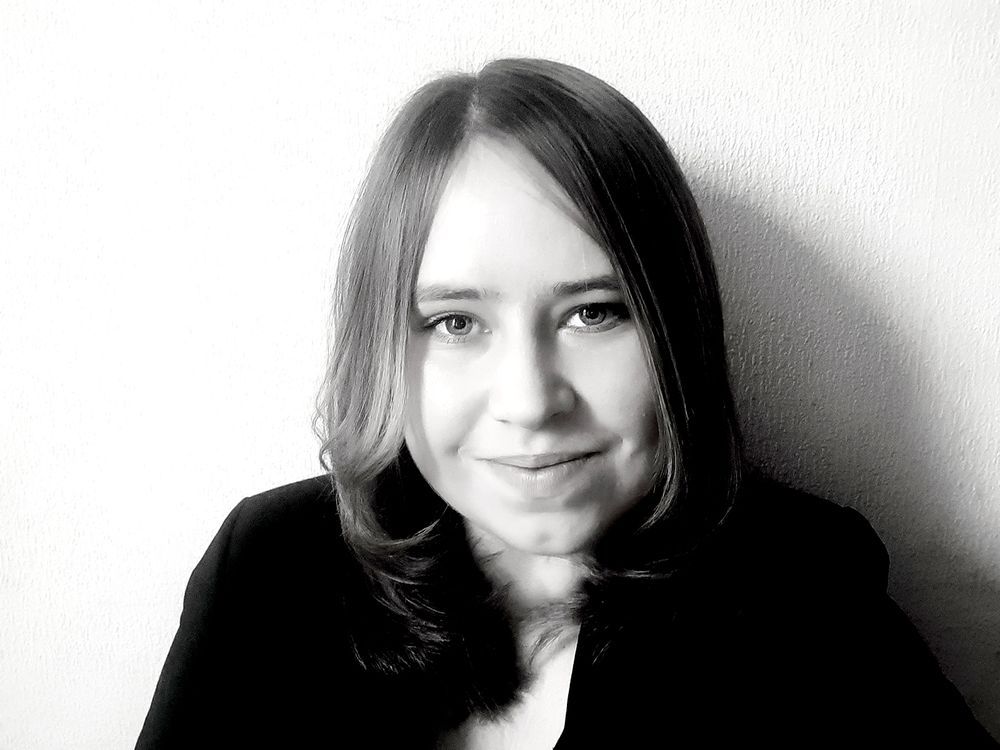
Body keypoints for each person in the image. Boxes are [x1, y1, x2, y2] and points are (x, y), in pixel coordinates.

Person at [135, 58, 997, 748]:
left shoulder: (806, 595)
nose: (530, 401)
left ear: (675, 332)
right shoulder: (269, 571)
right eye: (455, 322)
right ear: (384, 347)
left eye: (594, 313)